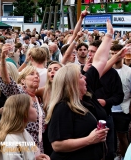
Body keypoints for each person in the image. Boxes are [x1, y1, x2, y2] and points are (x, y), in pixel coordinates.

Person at [46, 19, 113, 160]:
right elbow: (57, 145)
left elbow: (100, 61)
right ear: (71, 84)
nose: (85, 78)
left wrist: (109, 36)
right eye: (81, 76)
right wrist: (90, 139)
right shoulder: (63, 107)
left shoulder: (87, 97)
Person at [0, 44, 46, 153]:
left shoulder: (38, 100)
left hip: (38, 146)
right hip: (21, 144)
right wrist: (2, 58)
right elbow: (7, 80)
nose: (36, 76)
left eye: (37, 75)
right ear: (23, 80)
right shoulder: (19, 94)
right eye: (31, 74)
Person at [0, 94, 50, 160]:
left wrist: (35, 159)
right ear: (24, 111)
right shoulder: (11, 141)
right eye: (33, 106)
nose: (36, 110)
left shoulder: (23, 131)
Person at [110, 44, 131, 160]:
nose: (115, 56)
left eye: (117, 53)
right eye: (112, 53)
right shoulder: (106, 70)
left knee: (122, 136)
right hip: (108, 109)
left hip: (123, 109)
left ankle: (124, 156)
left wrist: (130, 110)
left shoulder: (130, 72)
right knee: (108, 136)